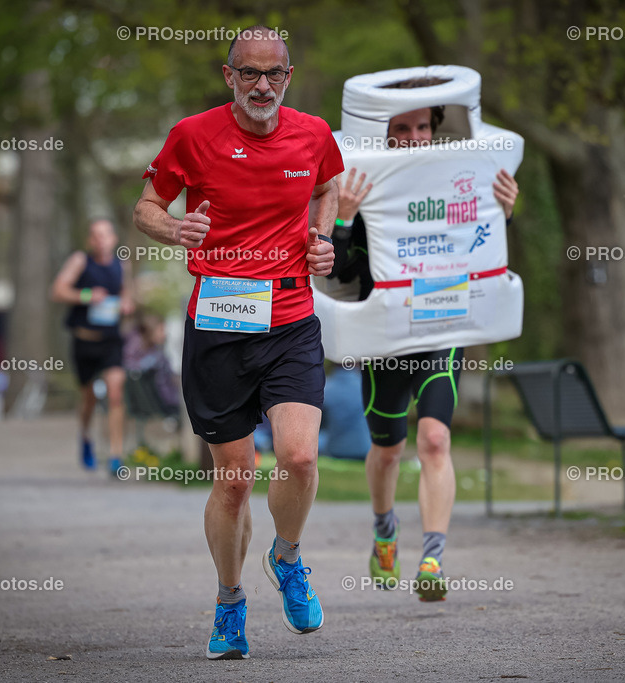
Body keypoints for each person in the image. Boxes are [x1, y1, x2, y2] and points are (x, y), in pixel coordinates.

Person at [132, 26, 342, 660]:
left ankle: (288, 556)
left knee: (300, 458)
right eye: (249, 74)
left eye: (273, 74)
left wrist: (320, 238)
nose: (262, 86)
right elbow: (146, 205)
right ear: (229, 77)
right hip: (220, 323)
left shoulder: (313, 134)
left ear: (289, 76)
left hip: (290, 315)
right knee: (234, 482)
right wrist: (175, 227)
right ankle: (229, 602)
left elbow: (328, 186)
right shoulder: (192, 136)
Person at [329, 89, 519, 602]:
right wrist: (344, 217)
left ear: (435, 130)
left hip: (442, 327)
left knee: (434, 440)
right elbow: (340, 271)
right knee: (388, 450)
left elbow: (483, 247)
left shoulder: (462, 177)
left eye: (421, 128)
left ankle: (433, 557)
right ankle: (384, 530)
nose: (413, 138)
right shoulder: (367, 182)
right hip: (385, 332)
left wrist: (502, 211)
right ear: (385, 133)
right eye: (402, 129)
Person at [51, 218, 134, 475]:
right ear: (90, 240)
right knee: (88, 399)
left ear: (113, 239)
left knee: (115, 393)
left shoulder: (123, 264)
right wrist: (87, 295)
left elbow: (127, 295)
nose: (100, 240)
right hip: (84, 341)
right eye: (95, 235)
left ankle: (115, 455)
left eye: (105, 235)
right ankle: (86, 437)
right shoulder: (80, 261)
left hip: (111, 341)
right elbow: (57, 291)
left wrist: (126, 305)